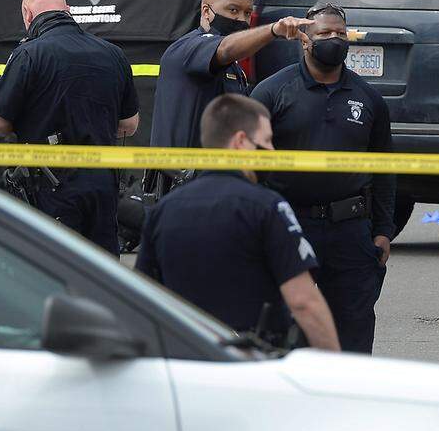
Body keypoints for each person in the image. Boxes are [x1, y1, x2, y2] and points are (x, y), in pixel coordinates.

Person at [136, 94, 340, 351]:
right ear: (241, 141)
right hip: (251, 365)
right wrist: (333, 366)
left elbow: (142, 296)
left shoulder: (163, 211)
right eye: (266, 141)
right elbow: (303, 301)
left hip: (186, 363)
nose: (272, 151)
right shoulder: (267, 208)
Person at [250, 3, 394, 354]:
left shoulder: (369, 98)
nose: (334, 39)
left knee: (354, 330)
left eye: (340, 34)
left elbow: (386, 168)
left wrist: (383, 231)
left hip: (350, 230)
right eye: (324, 33)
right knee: (276, 325)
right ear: (304, 40)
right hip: (290, 224)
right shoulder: (271, 93)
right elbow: (249, 166)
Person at [0, 0, 139, 255]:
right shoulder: (113, 54)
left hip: (49, 187)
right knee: (102, 276)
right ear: (68, 11)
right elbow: (129, 125)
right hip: (102, 184)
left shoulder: (28, 54)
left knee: (53, 271)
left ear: (28, 14)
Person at [149, 0, 311, 192]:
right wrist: (273, 30)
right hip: (182, 187)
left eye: (246, 13)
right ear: (206, 12)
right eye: (233, 10)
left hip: (218, 183)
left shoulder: (233, 67)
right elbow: (224, 49)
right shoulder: (188, 48)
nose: (241, 20)